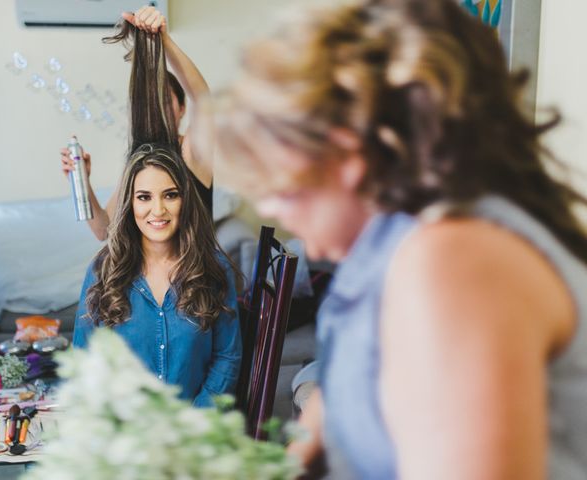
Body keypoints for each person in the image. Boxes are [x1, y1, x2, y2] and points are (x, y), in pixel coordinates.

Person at [205, 0, 587, 478]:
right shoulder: (382, 246)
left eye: (282, 188)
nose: (270, 210)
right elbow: (347, 391)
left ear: (347, 155)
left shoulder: (453, 260)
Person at [72, 144, 241, 407]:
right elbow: (84, 360)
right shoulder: (102, 271)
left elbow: (227, 357)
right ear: (130, 204)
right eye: (144, 197)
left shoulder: (214, 269)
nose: (158, 210)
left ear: (185, 200)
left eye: (170, 195)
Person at [61, 4, 212, 241]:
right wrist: (82, 181)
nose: (156, 107)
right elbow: (104, 230)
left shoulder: (193, 152)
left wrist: (164, 40)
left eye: (165, 99)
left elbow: (203, 99)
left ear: (182, 109)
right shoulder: (139, 160)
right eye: (148, 101)